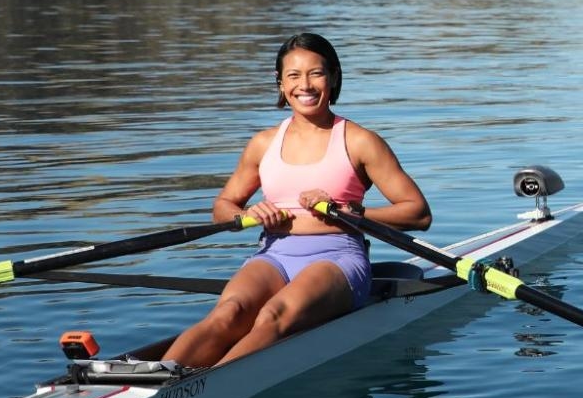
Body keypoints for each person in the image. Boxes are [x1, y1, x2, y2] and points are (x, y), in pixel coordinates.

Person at [165, 32, 431, 367]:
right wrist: (247, 213)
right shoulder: (263, 144)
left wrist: (352, 211)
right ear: (280, 83)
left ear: (333, 77)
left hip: (337, 258)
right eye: (293, 75)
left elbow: (418, 213)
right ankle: (151, 387)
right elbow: (222, 207)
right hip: (273, 253)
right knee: (228, 313)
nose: (304, 85)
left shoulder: (361, 141)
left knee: (272, 316)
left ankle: (206, 387)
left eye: (316, 73)